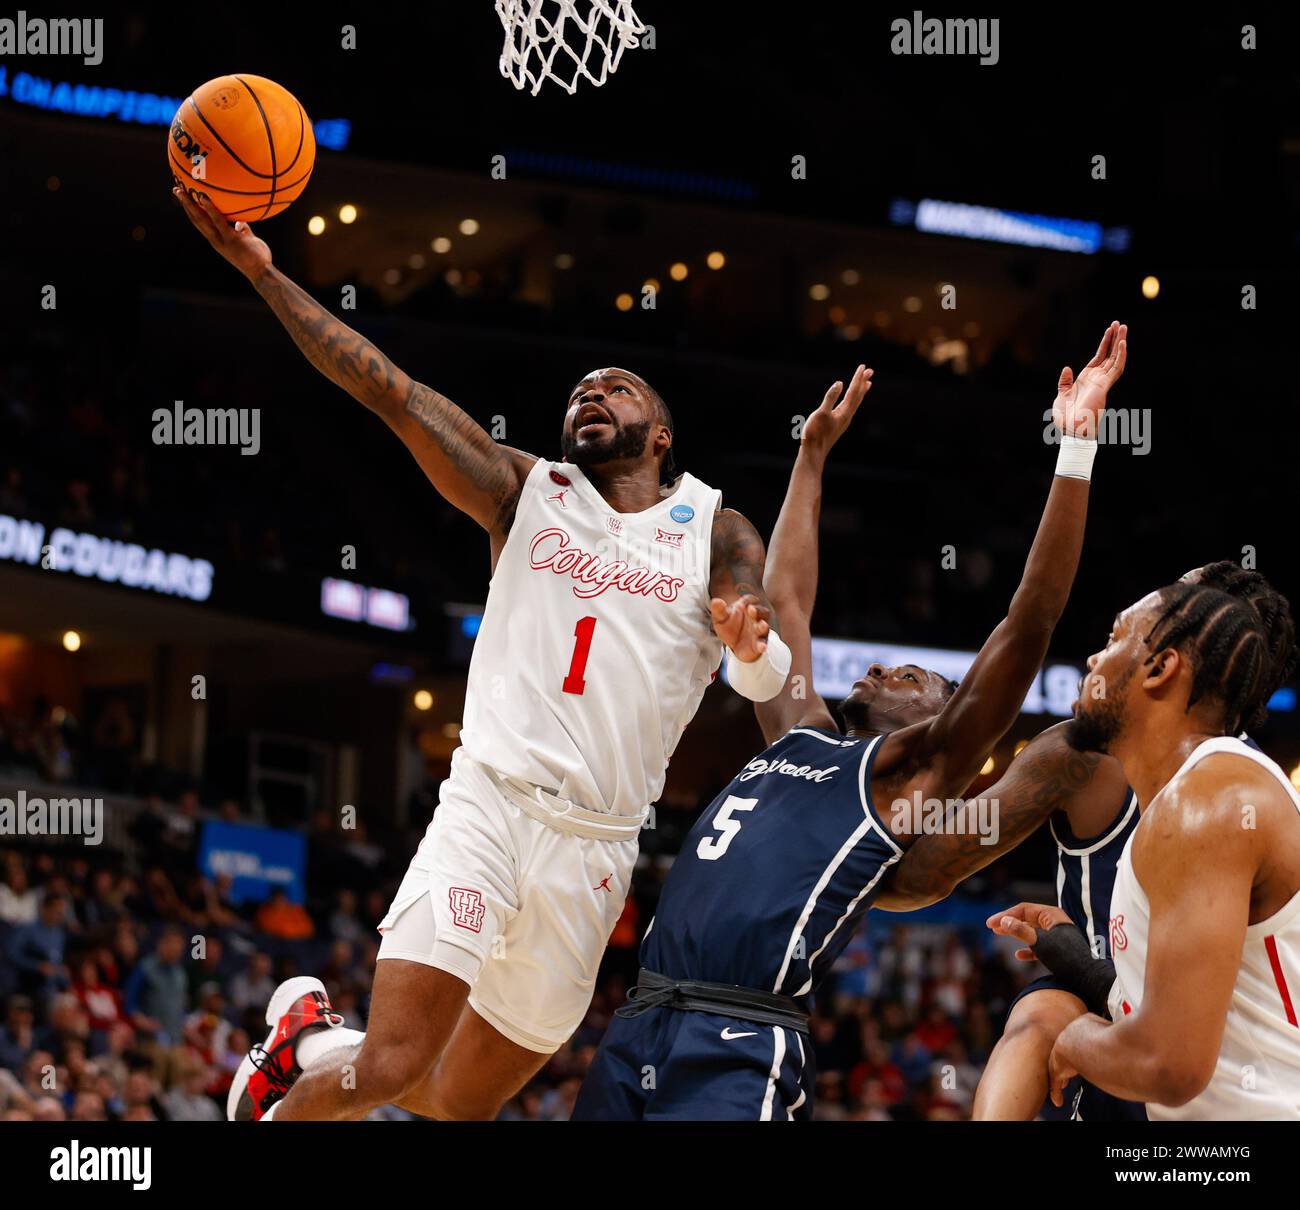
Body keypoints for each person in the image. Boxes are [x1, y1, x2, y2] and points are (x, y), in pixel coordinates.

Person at [173, 186, 786, 1122]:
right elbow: (387, 388)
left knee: (453, 1104)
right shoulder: (522, 489)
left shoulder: (714, 525)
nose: (592, 391)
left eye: (617, 386)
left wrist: (750, 649)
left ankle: (301, 1043)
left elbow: (759, 661)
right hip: (491, 807)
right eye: (581, 386)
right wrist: (266, 277)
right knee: (388, 1071)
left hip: (598, 851)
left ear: (661, 435)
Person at [573, 323, 1126, 1119]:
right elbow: (788, 603)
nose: (873, 672)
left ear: (942, 723)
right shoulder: (800, 732)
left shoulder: (903, 776)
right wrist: (812, 458)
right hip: (638, 1020)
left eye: (905, 677)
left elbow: (1029, 621)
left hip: (737, 1038)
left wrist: (1074, 449)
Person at [971, 561, 1297, 1119]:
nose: (1094, 659)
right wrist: (1077, 961)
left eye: (1115, 637)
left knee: (1042, 1015)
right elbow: (1175, 1016)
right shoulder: (1184, 802)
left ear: (1160, 668)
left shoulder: (1206, 802)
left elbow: (1167, 1064)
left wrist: (1074, 1039)